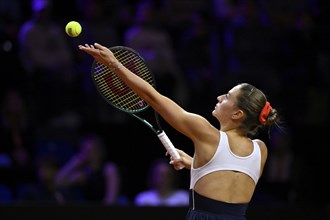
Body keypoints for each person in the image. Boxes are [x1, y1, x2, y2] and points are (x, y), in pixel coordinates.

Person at [78, 42, 281, 219]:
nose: (219, 97)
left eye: (227, 97)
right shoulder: (260, 149)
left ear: (237, 114)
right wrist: (195, 165)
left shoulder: (206, 133)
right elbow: (229, 180)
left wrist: (114, 64)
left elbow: (152, 97)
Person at [55, 134, 128, 205]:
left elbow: (110, 200)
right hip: (89, 212)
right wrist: (73, 162)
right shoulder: (83, 173)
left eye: (93, 150)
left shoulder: (109, 169)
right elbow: (58, 182)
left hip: (107, 211)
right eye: (85, 151)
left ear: (100, 151)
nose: (90, 154)